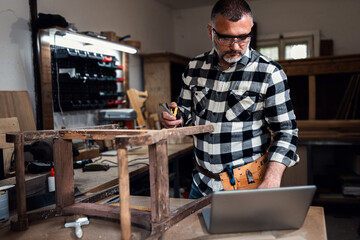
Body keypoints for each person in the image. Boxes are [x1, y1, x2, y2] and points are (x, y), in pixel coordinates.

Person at [160, 0, 299, 199]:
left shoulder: (269, 72)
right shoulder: (194, 68)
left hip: (248, 187)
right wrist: (175, 118)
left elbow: (286, 132)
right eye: (226, 39)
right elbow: (186, 116)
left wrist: (272, 179)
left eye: (243, 38)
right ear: (211, 31)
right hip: (201, 185)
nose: (235, 47)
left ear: (251, 29)